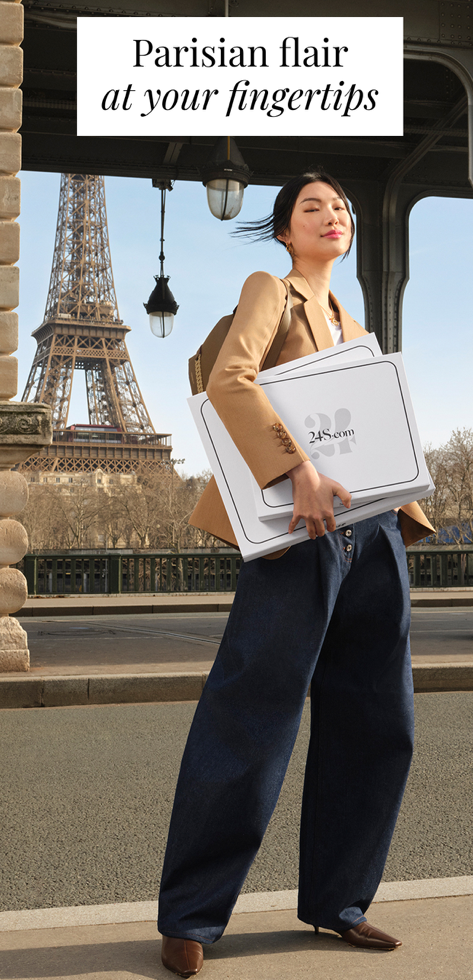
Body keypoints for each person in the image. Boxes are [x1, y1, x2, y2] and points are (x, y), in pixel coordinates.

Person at [158, 171, 434, 977]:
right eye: (311, 207)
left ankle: (339, 902)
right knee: (249, 721)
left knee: (378, 722)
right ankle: (190, 916)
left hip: (371, 532)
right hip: (298, 532)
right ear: (284, 230)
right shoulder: (268, 290)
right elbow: (229, 380)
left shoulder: (355, 325)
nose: (332, 215)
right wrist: (295, 470)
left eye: (340, 207)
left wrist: (398, 513)